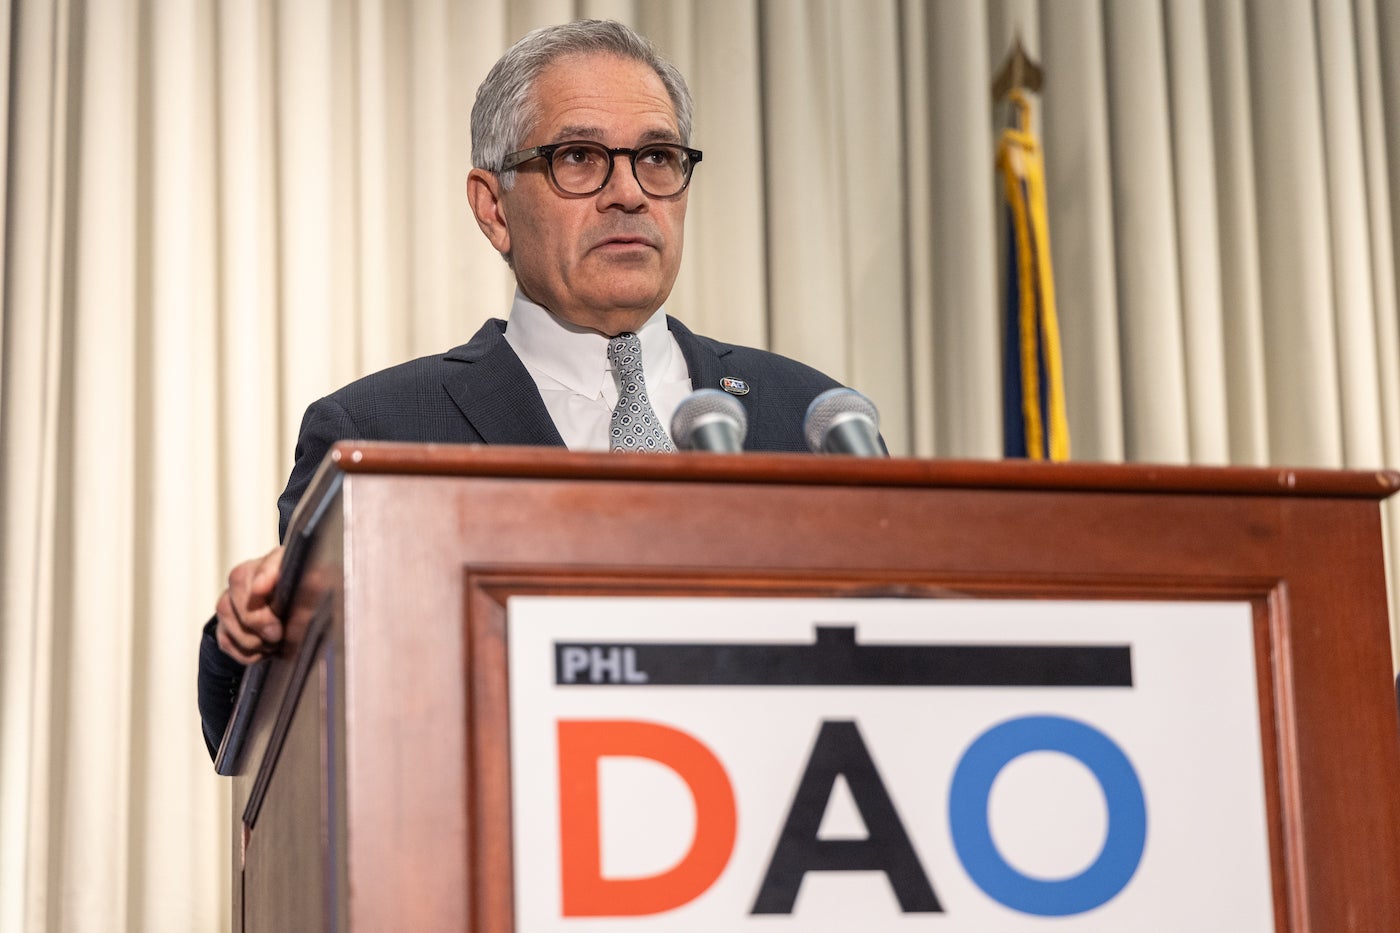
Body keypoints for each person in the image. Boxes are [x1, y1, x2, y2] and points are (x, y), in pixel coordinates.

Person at [198, 19, 848, 758]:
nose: (630, 193)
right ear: (493, 207)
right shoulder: (378, 433)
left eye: (658, 158)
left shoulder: (810, 416)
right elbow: (281, 717)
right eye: (579, 157)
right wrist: (248, 632)